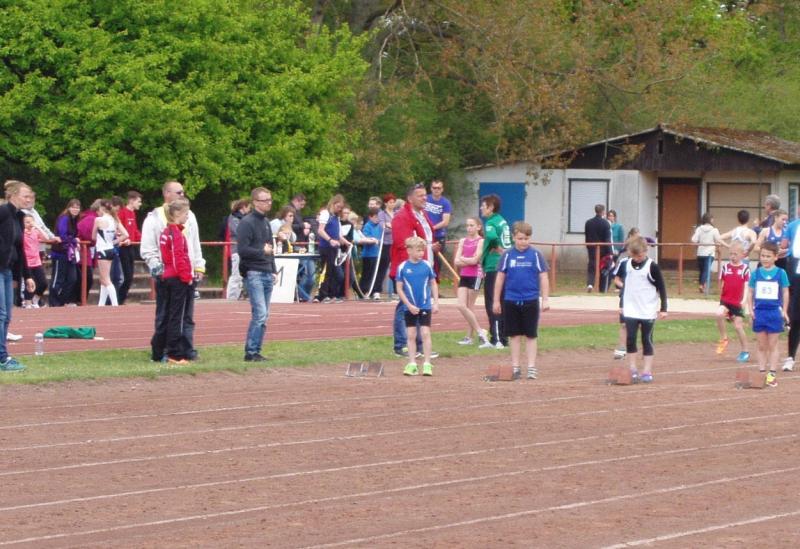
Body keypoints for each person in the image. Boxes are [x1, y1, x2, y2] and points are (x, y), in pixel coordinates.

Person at [141, 180, 206, 362]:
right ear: (166, 194)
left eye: (183, 192)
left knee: (187, 316)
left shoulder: (189, 216)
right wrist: (159, 269)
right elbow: (149, 249)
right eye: (179, 192)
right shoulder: (154, 218)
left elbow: (194, 243)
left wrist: (198, 266)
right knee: (166, 315)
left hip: (186, 273)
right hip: (171, 276)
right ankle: (165, 350)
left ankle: (186, 348)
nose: (182, 195)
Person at [491, 221, 550, 380]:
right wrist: (496, 300)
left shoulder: (536, 255)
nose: (523, 242)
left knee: (531, 335)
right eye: (520, 238)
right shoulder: (507, 255)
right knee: (514, 335)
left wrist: (545, 299)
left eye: (526, 239)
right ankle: (516, 367)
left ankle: (531, 367)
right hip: (511, 300)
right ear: (513, 238)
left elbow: (543, 276)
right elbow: (500, 278)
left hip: (530, 300)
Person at [391, 184, 440, 359]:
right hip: (409, 270)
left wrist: (431, 248)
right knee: (405, 306)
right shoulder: (402, 217)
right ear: (410, 198)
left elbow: (425, 240)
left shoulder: (423, 215)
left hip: (424, 267)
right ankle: (402, 344)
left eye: (425, 195)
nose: (424, 198)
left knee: (419, 305)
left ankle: (419, 345)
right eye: (420, 195)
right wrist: (412, 267)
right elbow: (403, 244)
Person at [615, 236, 668, 383]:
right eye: (634, 256)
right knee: (631, 338)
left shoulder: (652, 267)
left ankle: (646, 370)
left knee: (646, 339)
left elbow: (662, 288)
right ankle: (632, 368)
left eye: (639, 256)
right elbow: (625, 287)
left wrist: (663, 308)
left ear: (645, 251)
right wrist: (622, 305)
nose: (637, 259)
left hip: (647, 309)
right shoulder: (626, 265)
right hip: (631, 308)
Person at [237, 187, 278, 362]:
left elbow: (270, 248)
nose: (268, 203)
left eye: (270, 199)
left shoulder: (266, 222)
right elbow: (242, 250)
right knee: (260, 313)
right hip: (254, 272)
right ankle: (251, 351)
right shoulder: (246, 223)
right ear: (255, 202)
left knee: (264, 315)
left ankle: (256, 350)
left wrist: (273, 269)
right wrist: (262, 252)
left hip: (266, 271)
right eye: (264, 200)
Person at [152, 198, 194, 365]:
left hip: (166, 276)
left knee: (166, 315)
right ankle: (174, 353)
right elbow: (178, 257)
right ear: (177, 213)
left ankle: (157, 351)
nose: (187, 217)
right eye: (186, 213)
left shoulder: (166, 231)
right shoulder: (176, 233)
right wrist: (186, 277)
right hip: (176, 278)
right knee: (176, 317)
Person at [0, 181, 36, 371]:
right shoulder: (3, 212)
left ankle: (3, 356)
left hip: (7, 271)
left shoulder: (20, 217)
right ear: (13, 195)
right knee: (1, 314)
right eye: (25, 196)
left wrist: (27, 276)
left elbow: (20, 249)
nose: (28, 199)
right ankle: (2, 358)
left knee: (7, 315)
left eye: (30, 196)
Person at [396, 236, 439, 376]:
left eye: (422, 250)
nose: (421, 253)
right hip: (410, 307)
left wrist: (436, 302)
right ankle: (412, 363)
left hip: (425, 305)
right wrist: (408, 305)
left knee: (425, 333)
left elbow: (433, 283)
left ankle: (427, 363)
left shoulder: (427, 265)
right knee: (411, 335)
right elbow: (399, 288)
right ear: (409, 250)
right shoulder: (403, 267)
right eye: (418, 250)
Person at [749, 241, 789, 387]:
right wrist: (750, 309)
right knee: (761, 345)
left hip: (774, 312)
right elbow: (750, 292)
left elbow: (785, 291)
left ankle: (771, 374)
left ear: (775, 257)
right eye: (762, 256)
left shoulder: (781, 273)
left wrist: (784, 310)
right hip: (759, 313)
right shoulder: (756, 273)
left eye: (768, 256)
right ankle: (761, 373)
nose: (765, 259)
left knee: (773, 344)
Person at [479, 194, 511, 349]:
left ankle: (496, 338)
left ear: (491, 207)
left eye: (483, 206)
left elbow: (491, 236)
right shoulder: (503, 221)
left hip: (494, 265)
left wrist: (498, 248)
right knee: (502, 301)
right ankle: (504, 337)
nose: (481, 208)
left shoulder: (491, 222)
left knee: (493, 301)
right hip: (505, 265)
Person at [453, 217, 490, 346]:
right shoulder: (463, 241)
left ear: (478, 227)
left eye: (471, 225)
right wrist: (467, 260)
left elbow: (475, 260)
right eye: (467, 225)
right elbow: (456, 261)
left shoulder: (481, 241)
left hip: (476, 276)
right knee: (461, 305)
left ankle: (469, 337)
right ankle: (480, 331)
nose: (469, 228)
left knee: (470, 306)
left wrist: (464, 259)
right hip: (465, 275)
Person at [715, 242, 751, 362]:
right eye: (731, 254)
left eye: (735, 254)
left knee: (738, 326)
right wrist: (721, 296)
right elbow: (721, 283)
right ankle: (724, 338)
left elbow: (746, 286)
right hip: (726, 300)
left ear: (742, 255)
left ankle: (745, 350)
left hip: (737, 302)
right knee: (718, 313)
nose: (732, 256)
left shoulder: (745, 269)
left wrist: (744, 300)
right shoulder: (725, 267)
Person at [92, 199, 128, 306]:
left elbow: (93, 237)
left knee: (106, 279)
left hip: (102, 250)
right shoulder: (115, 219)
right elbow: (126, 234)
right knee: (103, 278)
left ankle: (115, 304)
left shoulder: (98, 220)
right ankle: (101, 304)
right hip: (111, 249)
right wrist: (114, 242)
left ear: (102, 208)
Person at [315, 194, 348, 303]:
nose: (339, 209)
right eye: (338, 206)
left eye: (341, 208)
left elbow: (338, 234)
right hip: (326, 247)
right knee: (326, 271)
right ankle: (322, 294)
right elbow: (320, 230)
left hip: (334, 248)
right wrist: (330, 240)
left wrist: (346, 242)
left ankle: (331, 294)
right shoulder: (326, 214)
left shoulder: (336, 217)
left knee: (333, 272)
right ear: (333, 204)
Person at [49, 199, 82, 307]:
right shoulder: (64, 218)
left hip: (69, 254)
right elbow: (62, 235)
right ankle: (54, 302)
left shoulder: (75, 220)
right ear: (68, 207)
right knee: (58, 278)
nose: (75, 209)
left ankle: (63, 300)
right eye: (73, 207)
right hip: (60, 253)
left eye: (77, 207)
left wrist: (75, 242)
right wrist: (74, 240)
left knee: (72, 278)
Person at [21, 214, 55, 308]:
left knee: (43, 283)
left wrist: (38, 227)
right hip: (26, 262)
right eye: (27, 222)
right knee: (30, 283)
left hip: (36, 262)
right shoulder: (22, 233)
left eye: (31, 221)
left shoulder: (35, 232)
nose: (29, 224)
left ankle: (35, 299)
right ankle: (27, 303)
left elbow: (46, 238)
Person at [117, 190, 142, 305]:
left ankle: (121, 299)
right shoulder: (122, 212)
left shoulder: (133, 213)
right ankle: (118, 299)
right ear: (131, 201)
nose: (140, 204)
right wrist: (123, 240)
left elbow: (135, 231)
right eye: (138, 201)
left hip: (131, 246)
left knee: (130, 276)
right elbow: (117, 229)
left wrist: (143, 239)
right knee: (126, 276)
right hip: (123, 247)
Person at [424, 179, 452, 277]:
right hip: (424, 234)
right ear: (431, 189)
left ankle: (435, 281)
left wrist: (432, 228)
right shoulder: (425, 199)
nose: (436, 190)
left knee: (437, 261)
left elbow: (445, 221)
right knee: (423, 257)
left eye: (439, 188)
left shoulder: (445, 203)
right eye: (434, 188)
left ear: (442, 189)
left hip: (438, 235)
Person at [225, 199, 250, 300]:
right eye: (248, 207)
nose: (249, 210)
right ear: (243, 207)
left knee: (243, 275)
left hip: (244, 250)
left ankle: (238, 295)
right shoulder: (233, 218)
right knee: (236, 275)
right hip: (236, 250)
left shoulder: (244, 219)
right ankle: (231, 298)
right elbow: (239, 232)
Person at [691, 212, 722, 294]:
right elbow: (718, 240)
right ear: (710, 220)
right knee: (706, 270)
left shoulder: (699, 229)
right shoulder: (714, 230)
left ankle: (701, 285)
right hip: (710, 253)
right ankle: (702, 285)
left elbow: (694, 240)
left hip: (700, 253)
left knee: (701, 270)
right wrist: (719, 248)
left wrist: (698, 244)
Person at [584, 204, 612, 292]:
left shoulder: (588, 222)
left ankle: (590, 284)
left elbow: (587, 236)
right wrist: (610, 252)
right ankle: (602, 288)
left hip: (592, 249)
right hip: (603, 250)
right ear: (603, 211)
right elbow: (607, 239)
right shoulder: (606, 223)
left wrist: (588, 247)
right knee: (603, 268)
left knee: (592, 267)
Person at [358, 208, 382, 300]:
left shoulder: (380, 226)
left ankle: (373, 291)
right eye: (375, 217)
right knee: (367, 274)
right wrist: (372, 240)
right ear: (370, 217)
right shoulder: (367, 226)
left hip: (377, 254)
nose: (377, 219)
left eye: (378, 217)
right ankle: (363, 291)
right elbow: (365, 237)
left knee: (375, 274)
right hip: (368, 255)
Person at [376, 193, 396, 299]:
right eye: (390, 202)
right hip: (385, 243)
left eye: (393, 202)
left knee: (396, 267)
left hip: (395, 243)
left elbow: (398, 226)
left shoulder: (397, 213)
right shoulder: (382, 214)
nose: (392, 204)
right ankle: (376, 291)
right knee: (382, 267)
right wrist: (390, 226)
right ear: (386, 203)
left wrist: (391, 226)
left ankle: (396, 291)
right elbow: (383, 227)